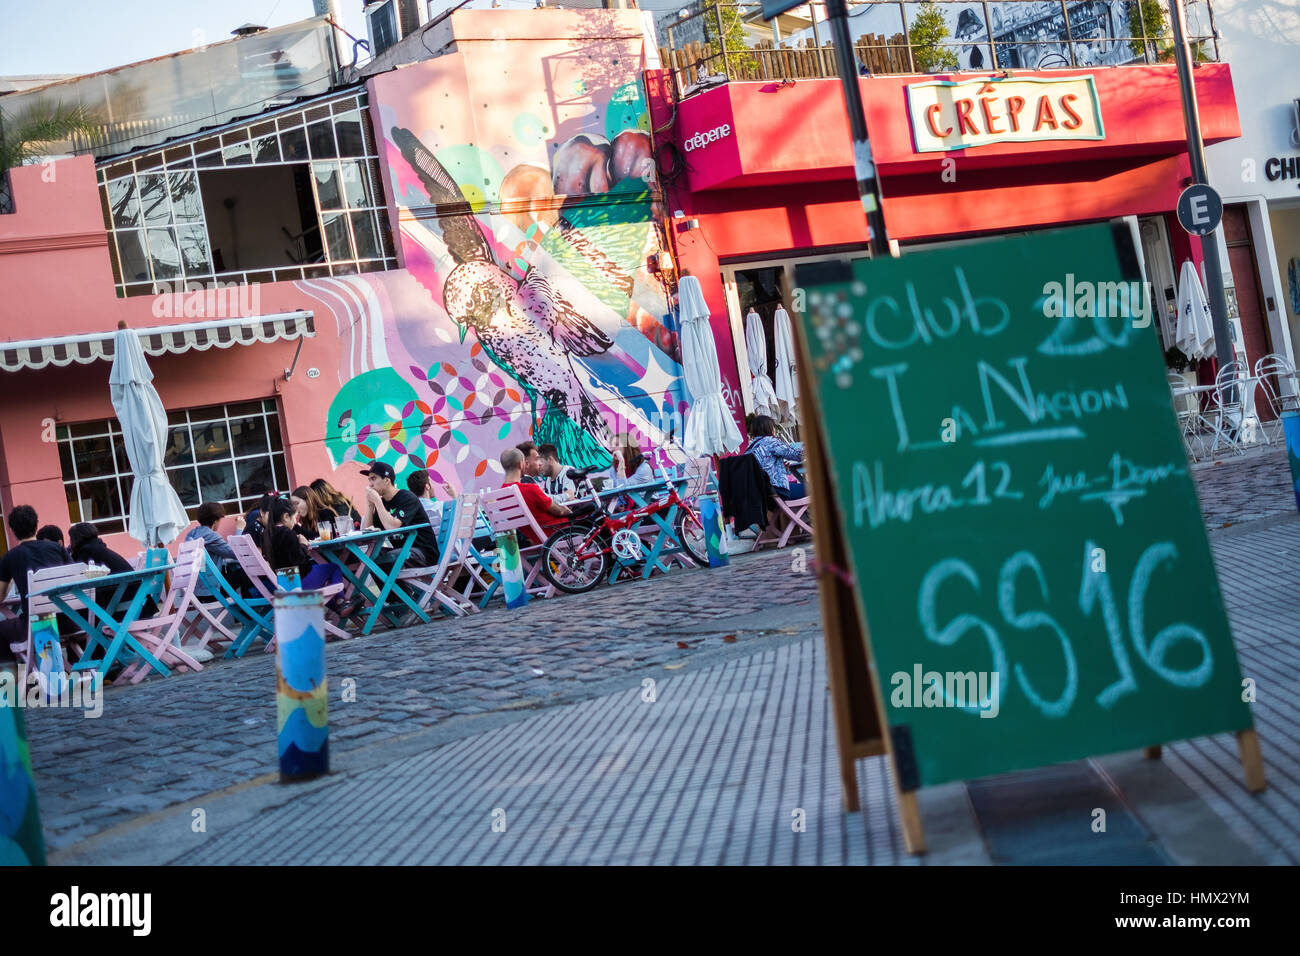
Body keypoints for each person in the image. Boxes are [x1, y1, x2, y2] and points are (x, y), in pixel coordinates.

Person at [0, 506, 73, 661]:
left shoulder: (10, 558)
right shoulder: (57, 549)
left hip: (36, 626)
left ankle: (13, 681)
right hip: (70, 621)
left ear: (12, 530)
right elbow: (74, 580)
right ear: (36, 525)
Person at [68, 522, 158, 620]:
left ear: (75, 539)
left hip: (128, 610)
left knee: (82, 607)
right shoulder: (98, 549)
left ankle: (91, 633)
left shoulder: (87, 554)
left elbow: (83, 579)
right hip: (140, 604)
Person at [360, 461, 441, 567]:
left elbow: (392, 527)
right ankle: (391, 584)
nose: (370, 484)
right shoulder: (382, 504)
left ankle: (395, 584)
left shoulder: (407, 497)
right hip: (402, 552)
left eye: (374, 478)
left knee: (390, 558)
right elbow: (367, 535)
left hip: (423, 553)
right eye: (369, 480)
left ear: (387, 480)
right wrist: (370, 506)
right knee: (369, 555)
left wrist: (377, 501)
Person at [261, 498, 345, 595]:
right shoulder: (287, 533)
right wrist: (303, 545)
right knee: (334, 568)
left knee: (322, 578)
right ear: (286, 516)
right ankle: (340, 602)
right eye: (295, 518)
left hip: (283, 584)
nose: (295, 522)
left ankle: (331, 608)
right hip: (299, 582)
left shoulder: (267, 534)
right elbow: (299, 560)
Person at [501, 447, 573, 544]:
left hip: (533, 537)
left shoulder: (501, 495)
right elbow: (559, 511)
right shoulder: (530, 489)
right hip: (557, 534)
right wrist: (568, 510)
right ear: (521, 464)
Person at [746, 415, 805, 500]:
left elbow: (763, 469)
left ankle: (796, 513)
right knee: (818, 489)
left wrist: (780, 468)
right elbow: (799, 455)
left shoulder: (750, 448)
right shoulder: (770, 442)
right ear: (770, 428)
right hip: (778, 492)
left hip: (761, 494)